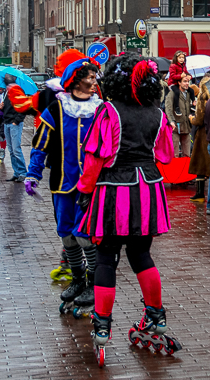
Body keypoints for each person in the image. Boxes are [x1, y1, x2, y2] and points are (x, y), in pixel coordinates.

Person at [76, 55, 181, 365]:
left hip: (113, 190)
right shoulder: (157, 113)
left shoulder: (108, 112)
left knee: (107, 257)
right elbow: (166, 155)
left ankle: (103, 325)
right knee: (141, 255)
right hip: (148, 188)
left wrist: (84, 192)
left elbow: (95, 156)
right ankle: (156, 316)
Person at [24, 55, 102, 315]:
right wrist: (32, 174)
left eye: (94, 77)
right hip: (62, 183)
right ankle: (78, 280)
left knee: (85, 235)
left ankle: (92, 283)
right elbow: (40, 144)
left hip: (91, 185)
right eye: (90, 77)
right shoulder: (57, 108)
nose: (94, 82)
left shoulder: (102, 109)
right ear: (76, 80)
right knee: (66, 234)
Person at [187, 74, 210, 202]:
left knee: (200, 164)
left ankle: (200, 194)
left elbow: (199, 119)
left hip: (202, 134)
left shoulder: (203, 97)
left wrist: (192, 119)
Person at [2, 74, 28, 182]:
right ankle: (16, 172)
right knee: (11, 150)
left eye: (9, 76)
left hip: (14, 124)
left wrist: (16, 121)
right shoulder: (6, 91)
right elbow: (8, 108)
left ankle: (22, 172)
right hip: (6, 122)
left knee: (16, 149)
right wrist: (1, 107)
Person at [165, 73, 194, 158]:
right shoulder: (173, 93)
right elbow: (168, 108)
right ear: (179, 83)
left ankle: (185, 171)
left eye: (188, 81)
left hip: (186, 127)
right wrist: (171, 121)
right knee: (175, 154)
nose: (187, 83)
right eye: (184, 81)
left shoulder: (189, 94)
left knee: (187, 155)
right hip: (176, 127)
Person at [167, 51, 188, 118]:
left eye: (183, 58)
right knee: (177, 92)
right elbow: (172, 76)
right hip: (173, 83)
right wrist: (180, 76)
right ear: (176, 58)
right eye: (180, 58)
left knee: (191, 90)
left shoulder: (184, 66)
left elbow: (187, 73)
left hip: (180, 83)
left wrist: (189, 76)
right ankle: (177, 107)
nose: (182, 59)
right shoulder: (173, 66)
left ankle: (192, 104)